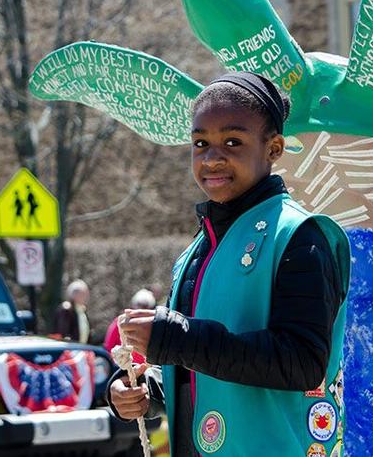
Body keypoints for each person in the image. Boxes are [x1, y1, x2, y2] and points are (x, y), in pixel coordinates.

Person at [106, 71, 350, 455]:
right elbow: (200, 367)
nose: (212, 157)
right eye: (200, 142)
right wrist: (146, 388)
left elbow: (302, 363)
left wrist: (178, 339)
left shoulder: (300, 235)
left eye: (232, 141)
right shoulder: (197, 250)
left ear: (273, 149)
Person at [104, 289, 158, 364]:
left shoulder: (155, 325)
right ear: (134, 305)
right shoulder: (121, 321)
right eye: (139, 304)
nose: (141, 309)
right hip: (123, 366)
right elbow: (109, 346)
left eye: (145, 306)